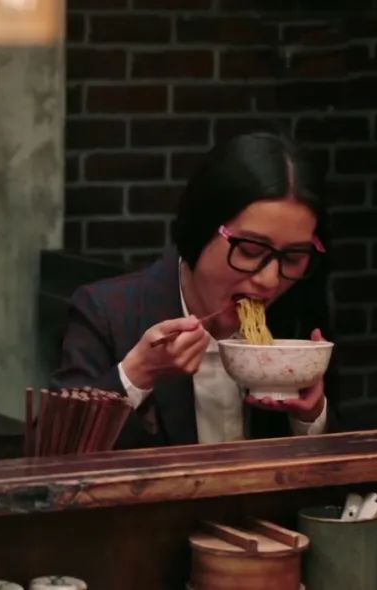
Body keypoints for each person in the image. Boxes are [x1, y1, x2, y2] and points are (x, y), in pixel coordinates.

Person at [51, 132, 335, 449]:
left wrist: (311, 416)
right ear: (200, 230)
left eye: (293, 257)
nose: (270, 280)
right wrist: (138, 373)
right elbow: (57, 453)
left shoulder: (296, 318)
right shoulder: (106, 312)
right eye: (251, 251)